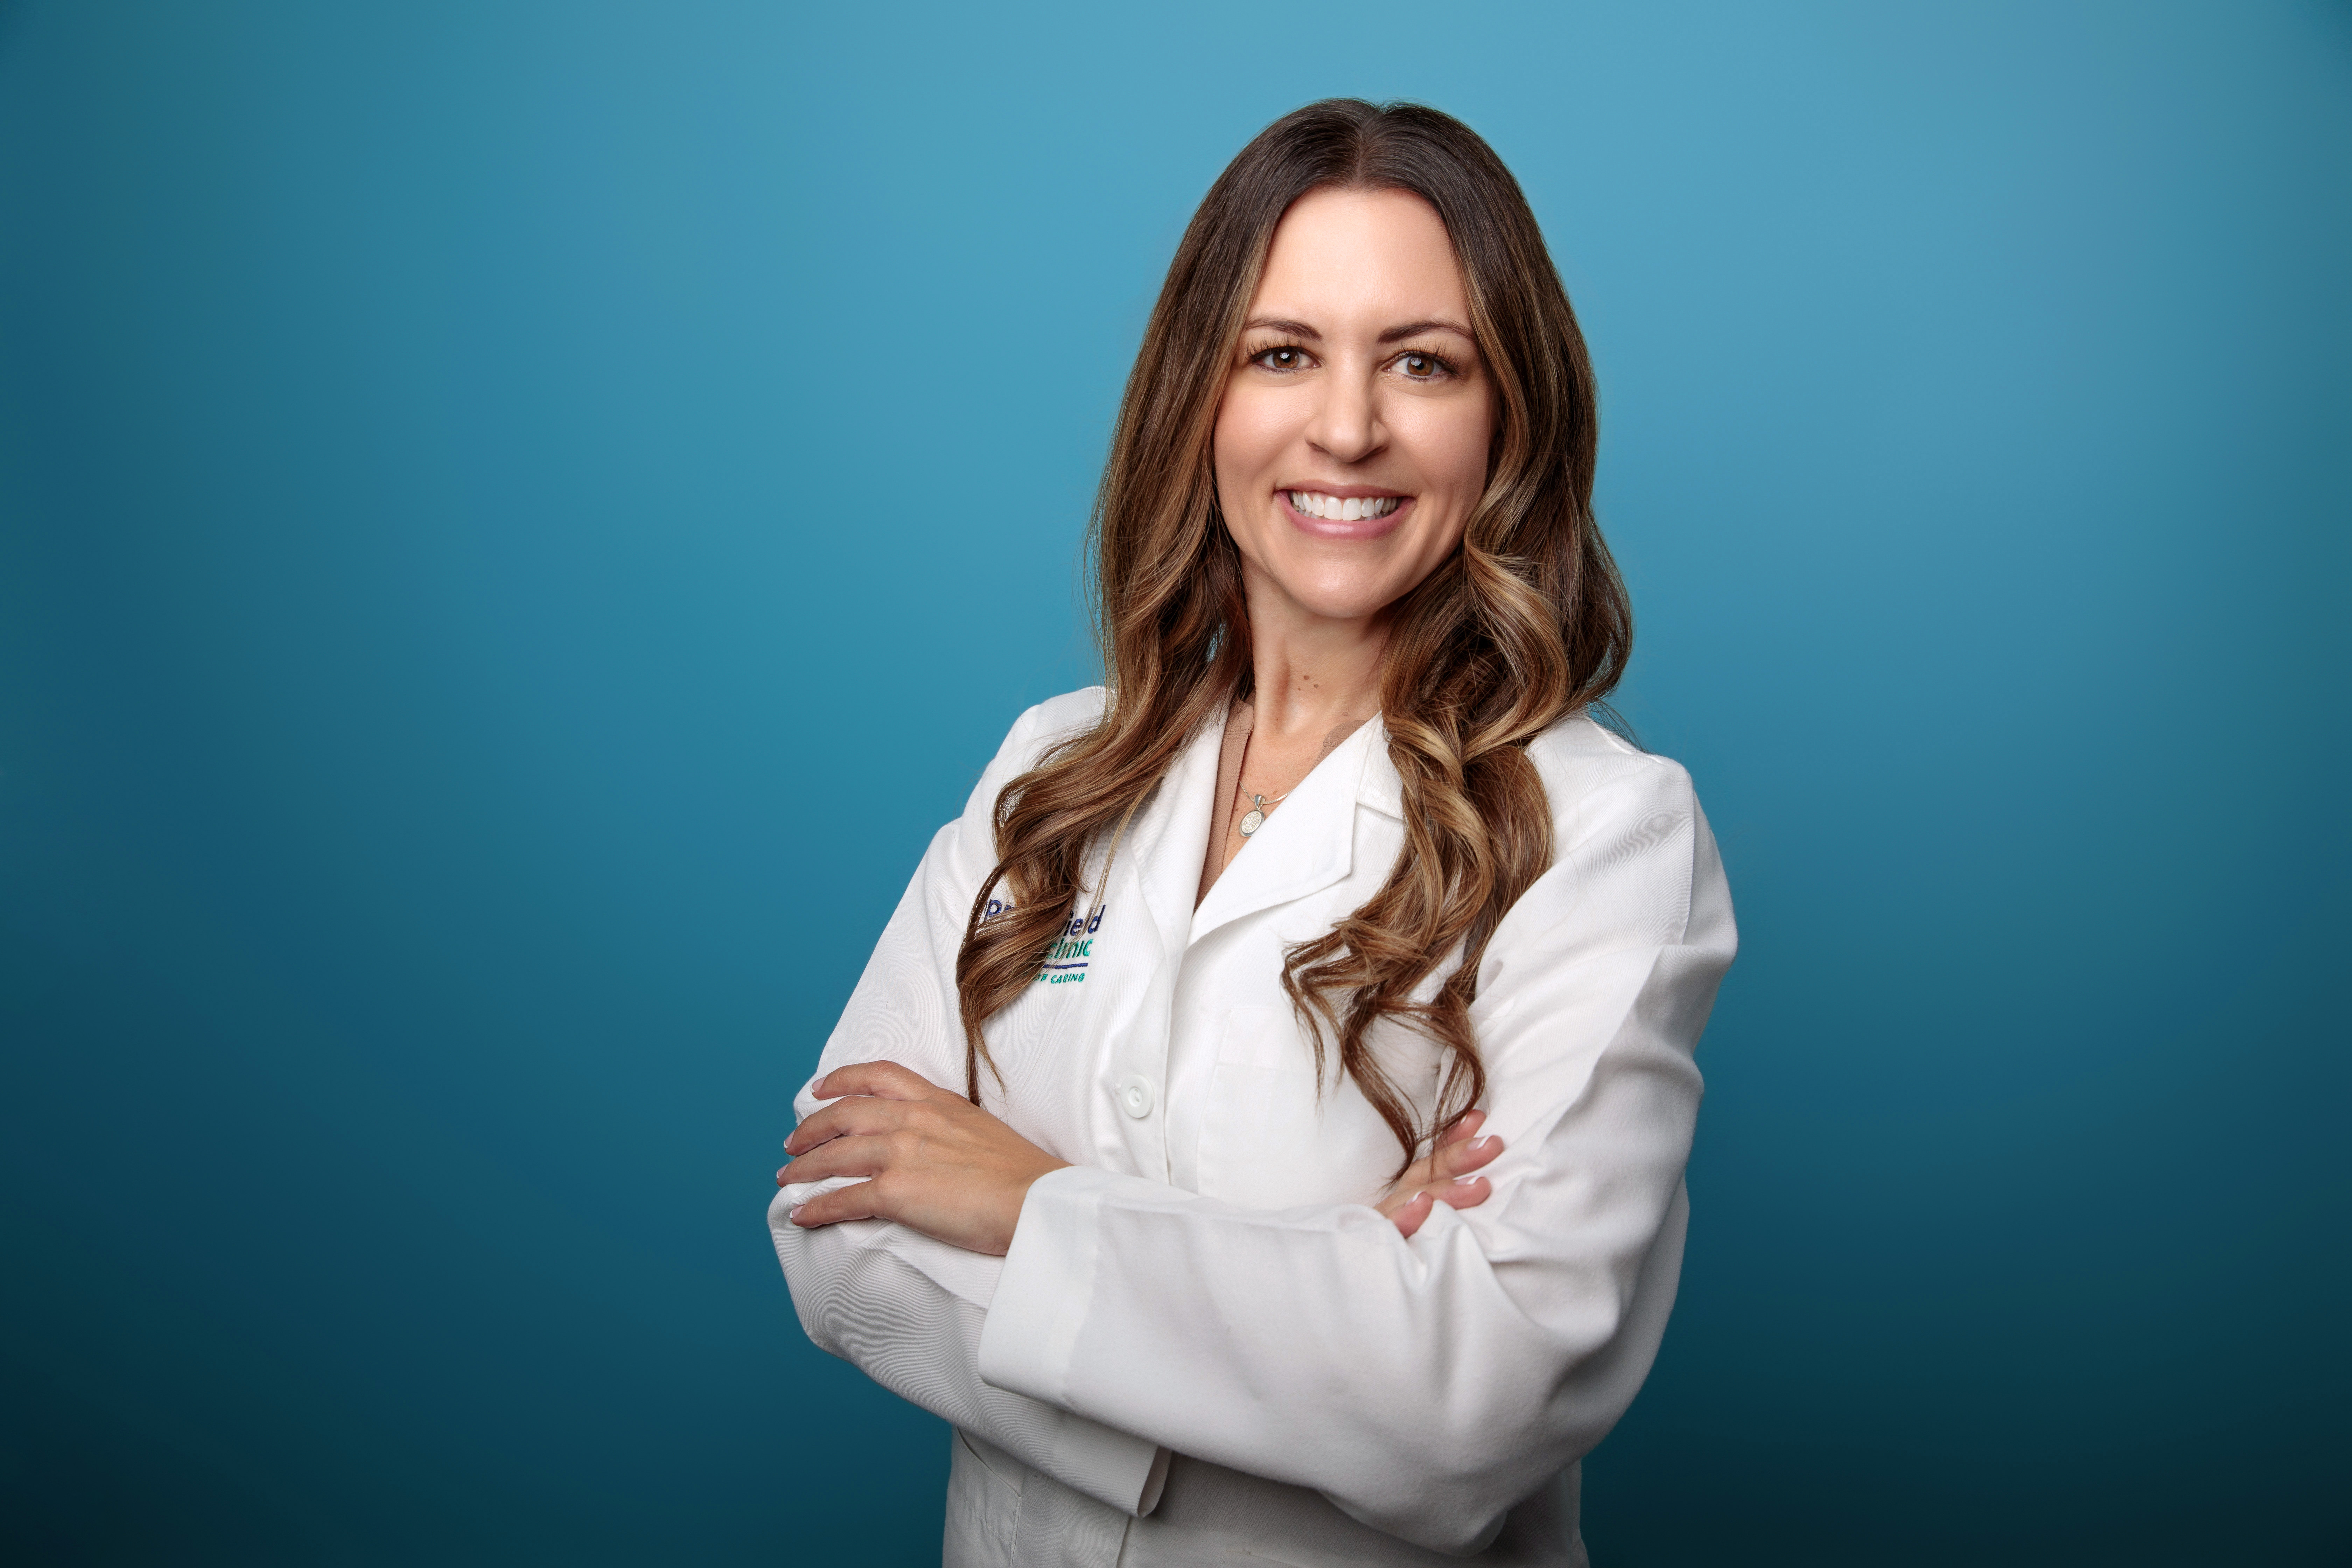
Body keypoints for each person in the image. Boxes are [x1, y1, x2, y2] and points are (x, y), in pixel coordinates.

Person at [770, 98, 1736, 1568]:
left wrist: (1023, 1203)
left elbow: (1471, 1393)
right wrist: (1320, 1296)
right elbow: (836, 1235)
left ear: (1509, 417)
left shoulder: (1601, 835)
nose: (1346, 426)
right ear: (1199, 399)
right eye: (1282, 354)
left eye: (1422, 363)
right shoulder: (1055, 764)